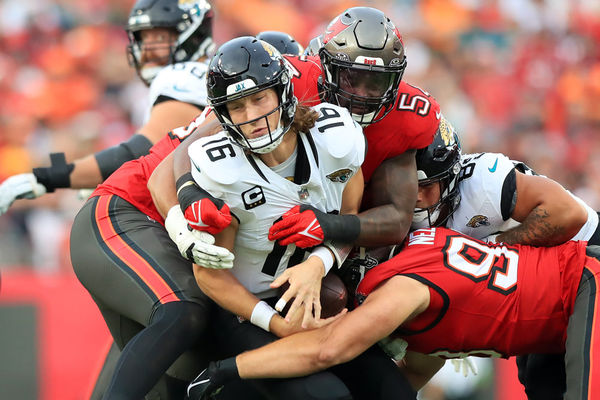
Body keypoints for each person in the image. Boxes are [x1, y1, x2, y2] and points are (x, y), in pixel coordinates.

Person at [149, 36, 417, 400]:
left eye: (259, 99)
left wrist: (318, 265)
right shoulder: (223, 170)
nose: (252, 117)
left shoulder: (336, 141)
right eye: (237, 107)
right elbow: (211, 276)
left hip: (310, 296)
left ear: (282, 93)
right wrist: (275, 323)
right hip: (248, 309)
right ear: (223, 115)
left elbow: (349, 218)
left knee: (394, 391)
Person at [188, 227, 600, 400]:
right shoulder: (419, 295)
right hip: (560, 323)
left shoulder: (405, 288)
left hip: (587, 285)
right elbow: (408, 380)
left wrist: (228, 369)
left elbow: (328, 348)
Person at [409, 124, 600, 399]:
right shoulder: (405, 226)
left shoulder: (481, 184)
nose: (416, 196)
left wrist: (494, 249)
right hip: (538, 296)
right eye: (410, 185)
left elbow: (568, 214)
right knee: (540, 381)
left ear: (451, 176)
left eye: (426, 186)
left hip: (587, 261)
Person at [0, 0, 214, 214]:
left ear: (194, 35)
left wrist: (47, 177)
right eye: (142, 38)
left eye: (158, 37)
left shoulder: (182, 76)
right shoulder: (203, 74)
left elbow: (139, 152)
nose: (145, 50)